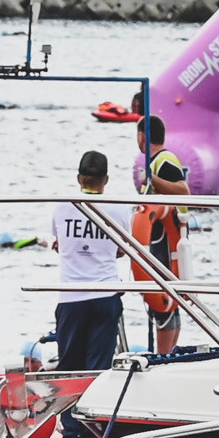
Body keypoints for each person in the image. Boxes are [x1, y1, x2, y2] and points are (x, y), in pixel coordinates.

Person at [49, 149, 131, 371]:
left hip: (71, 297)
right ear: (106, 180)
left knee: (69, 369)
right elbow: (123, 250)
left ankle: (70, 406)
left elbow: (59, 244)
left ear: (78, 179)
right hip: (105, 294)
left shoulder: (62, 206)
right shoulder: (119, 208)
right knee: (99, 369)